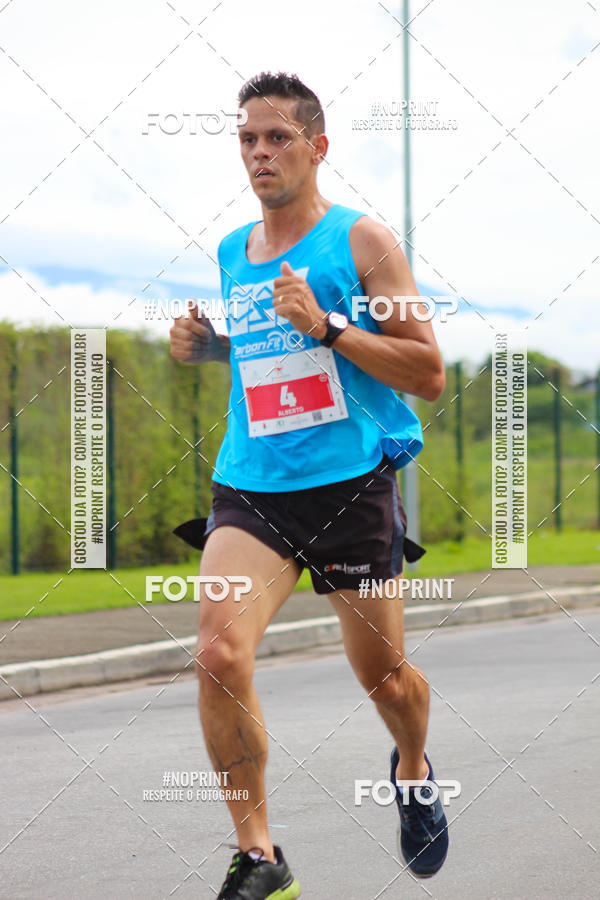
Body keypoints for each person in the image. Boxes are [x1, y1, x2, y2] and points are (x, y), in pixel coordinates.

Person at [170, 70, 448, 900]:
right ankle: (260, 856)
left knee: (386, 679)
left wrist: (328, 323)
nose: (260, 153)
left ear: (317, 148)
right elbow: (273, 361)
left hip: (350, 487)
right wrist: (212, 346)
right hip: (251, 487)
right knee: (218, 653)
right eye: (248, 139)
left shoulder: (363, 243)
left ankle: (411, 768)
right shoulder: (231, 253)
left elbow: (427, 371)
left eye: (277, 138)